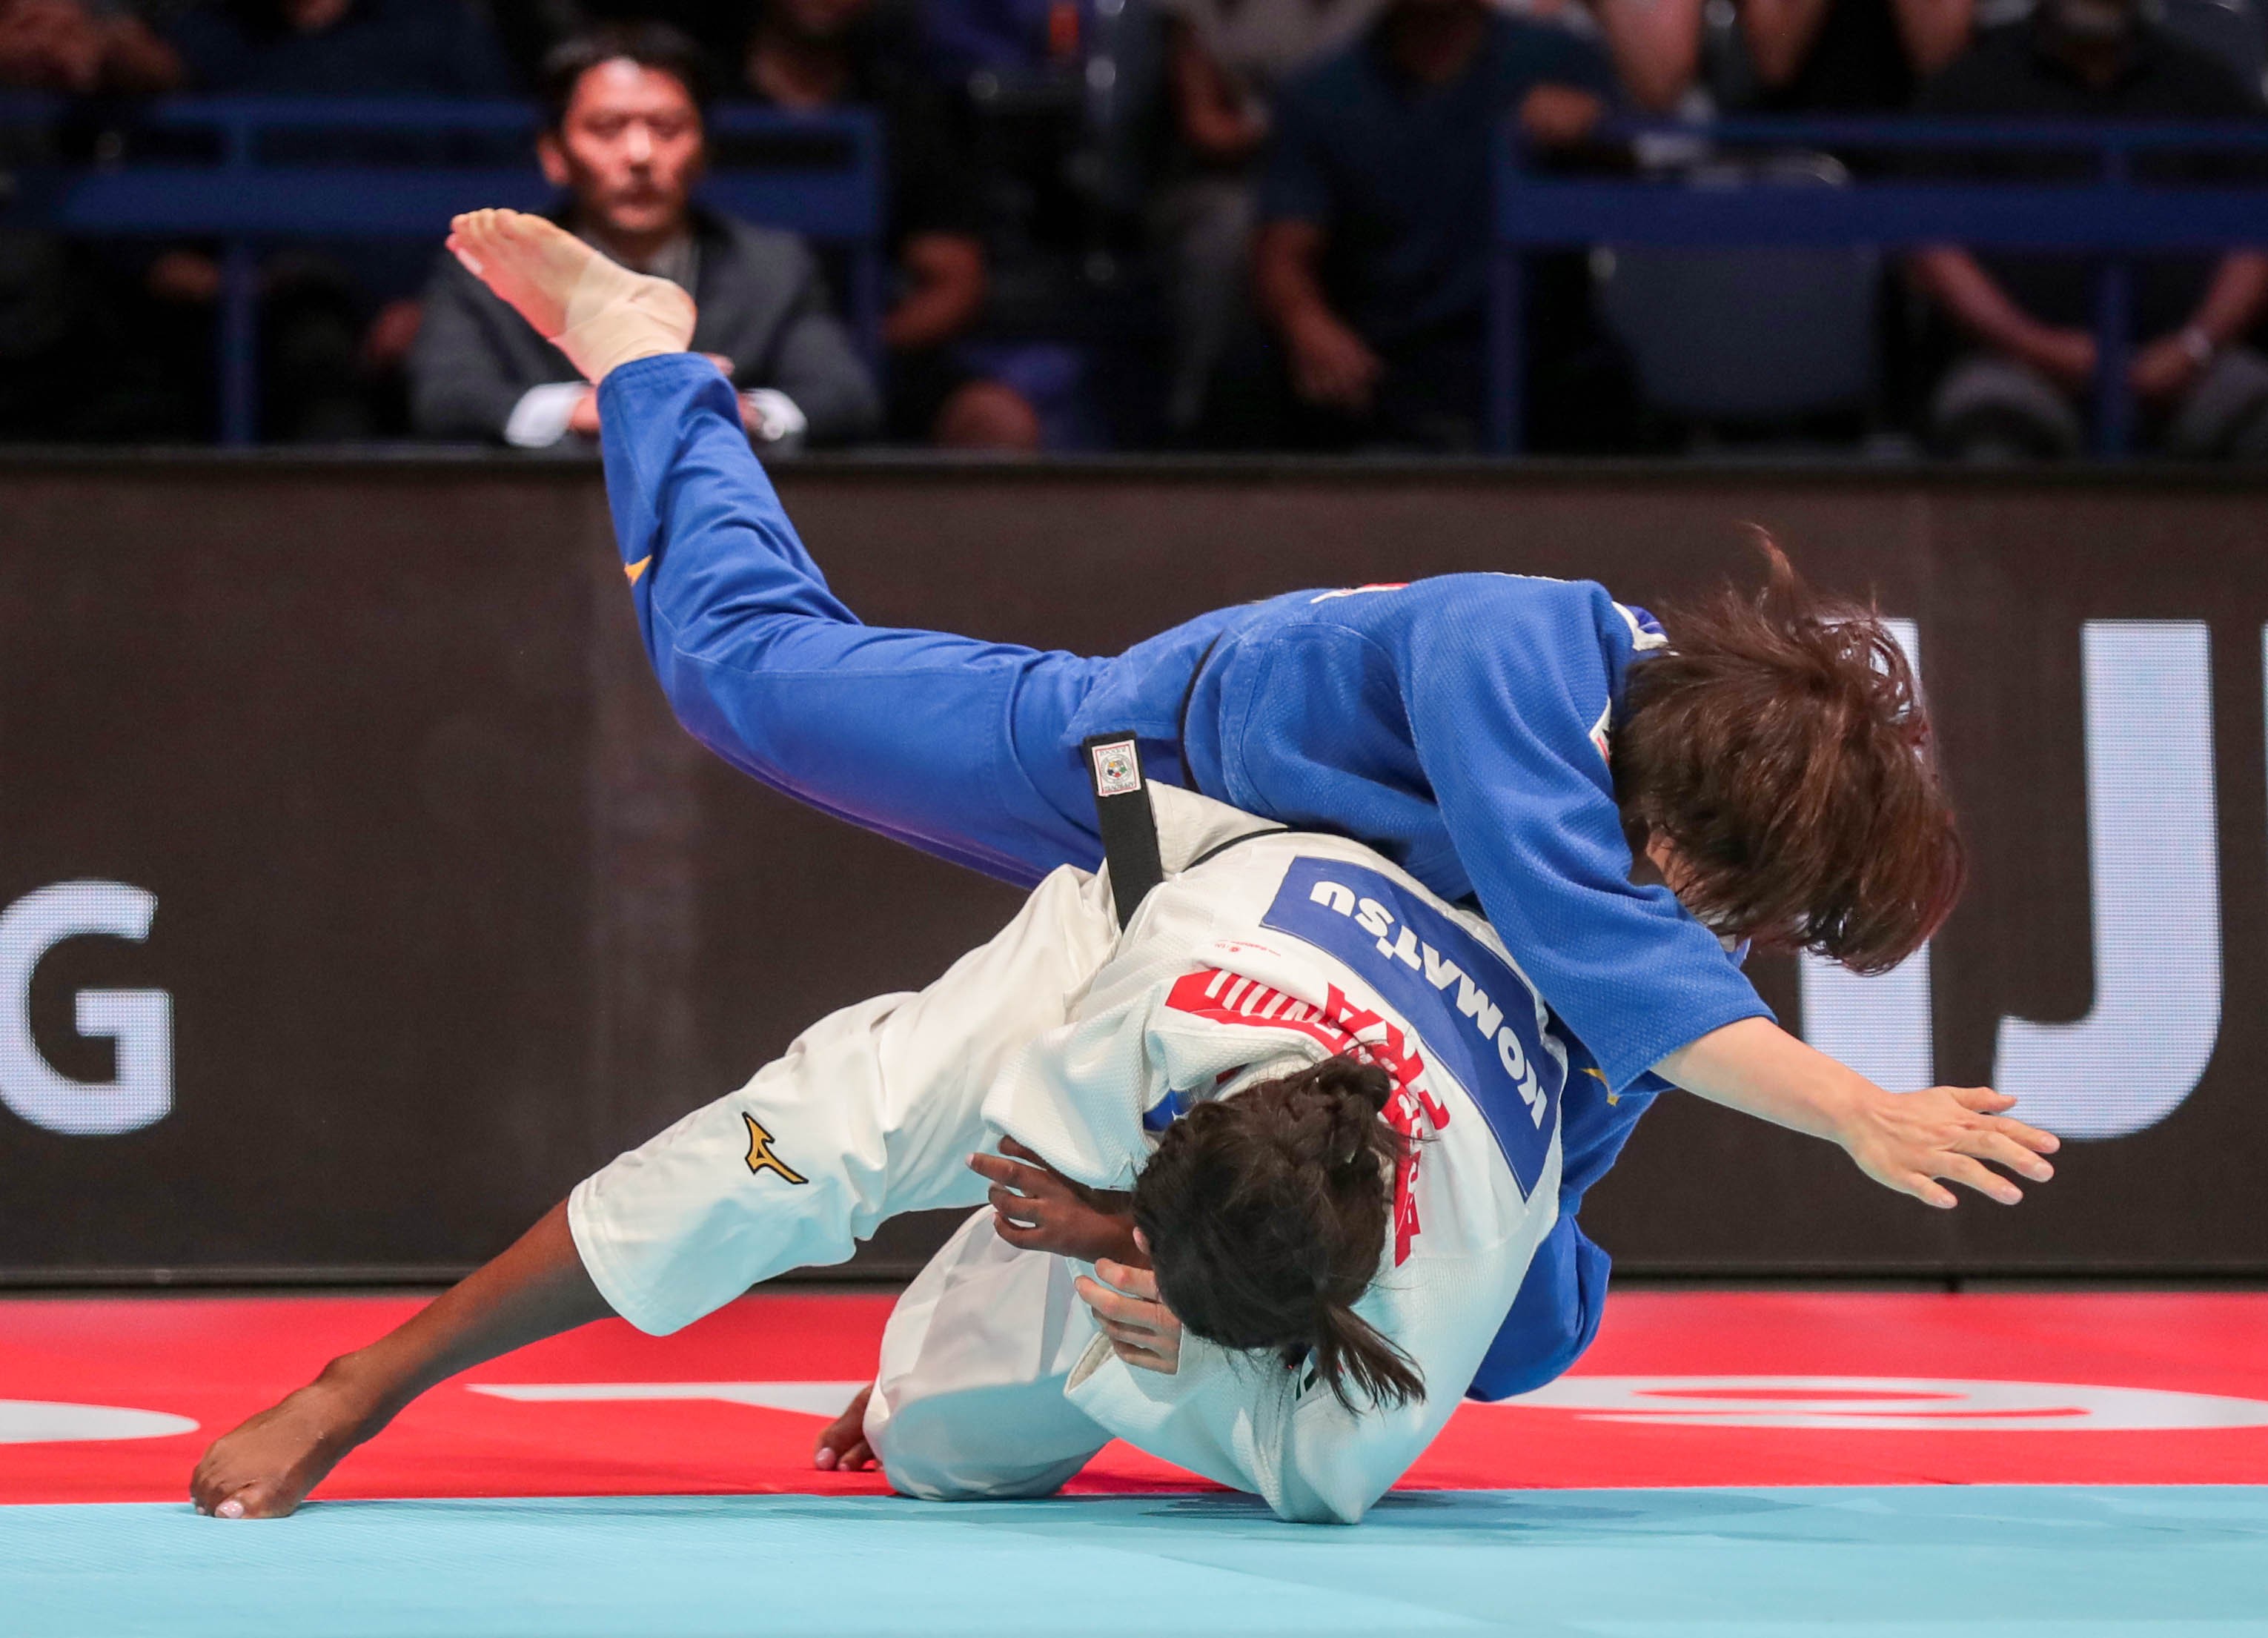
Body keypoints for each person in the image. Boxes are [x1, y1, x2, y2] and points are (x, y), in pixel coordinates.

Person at [431, 208, 2042, 1390]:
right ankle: (645, 351)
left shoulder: (1668, 909)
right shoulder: (1523, 650)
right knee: (745, 678)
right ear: (1668, 798)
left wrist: (1465, 1297)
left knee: (1512, 1320)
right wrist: (1856, 1109)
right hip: (1155, 785)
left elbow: (1535, 1204)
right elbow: (1598, 939)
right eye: (1707, 889)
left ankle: (1112, 1277)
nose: (1708, 927)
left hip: (1319, 942)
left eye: (1737, 921)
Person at [188, 772, 2057, 1525]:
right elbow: (1029, 1144)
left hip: (1329, 1138)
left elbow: (1325, 1472)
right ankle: (372, 1377)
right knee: (810, 1146)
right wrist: (1090, 1216)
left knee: (950, 1453)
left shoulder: (1466, 1249)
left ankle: (943, 1364)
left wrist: (1170, 1316)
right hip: (1155, 925)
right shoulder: (1167, 1000)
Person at [409, 22, 881, 450]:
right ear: (554, 153)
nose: (640, 155)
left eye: (668, 129)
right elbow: (446, 398)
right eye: (607, 129)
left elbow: (844, 396)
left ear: (705, 150)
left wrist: (740, 411)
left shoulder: (772, 266)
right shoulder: (493, 261)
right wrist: (589, 408)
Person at [1250, 0, 1619, 450]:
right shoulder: (1319, 94)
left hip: (1548, 378)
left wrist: (1598, 135)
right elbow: (1283, 254)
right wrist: (1306, 323)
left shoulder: (1560, 61)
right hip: (1389, 385)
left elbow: (1652, 182)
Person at [1910, 0, 2268, 460]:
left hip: (2197, 366)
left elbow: (2254, 240)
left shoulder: (2202, 84)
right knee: (1987, 433)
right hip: (2016, 366)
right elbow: (1933, 246)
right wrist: (2036, 347)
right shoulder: (1970, 86)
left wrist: (2194, 347)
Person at [740, 0, 1042, 449]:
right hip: (732, 346)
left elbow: (956, 281)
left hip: (874, 354)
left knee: (997, 421)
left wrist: (849, 353)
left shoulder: (905, 105)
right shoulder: (701, 96)